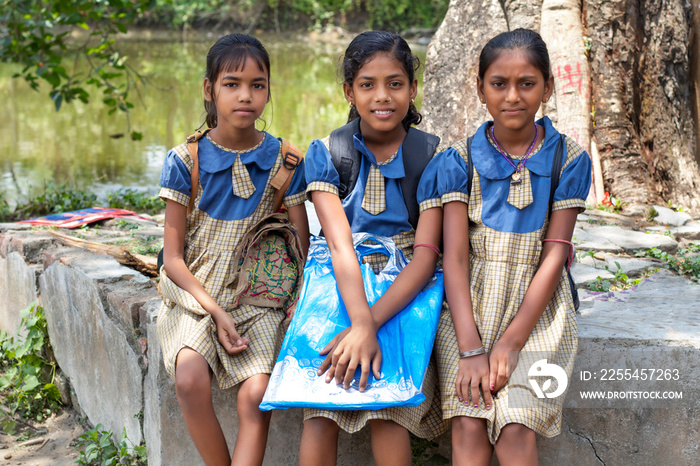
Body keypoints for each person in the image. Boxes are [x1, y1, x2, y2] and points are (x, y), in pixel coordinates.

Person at [422, 28, 592, 465]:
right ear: (480, 89)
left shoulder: (568, 160)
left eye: (527, 83)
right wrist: (472, 348)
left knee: (516, 429)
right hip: (467, 312)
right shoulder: (459, 161)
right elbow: (455, 258)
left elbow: (555, 254)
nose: (512, 96)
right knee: (468, 419)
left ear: (548, 88)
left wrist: (513, 342)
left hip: (539, 317)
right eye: (499, 83)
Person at [157, 33, 309, 466]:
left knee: (258, 393)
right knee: (189, 379)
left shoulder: (286, 160)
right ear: (210, 89)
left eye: (257, 85)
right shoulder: (186, 160)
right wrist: (216, 312)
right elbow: (172, 259)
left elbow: (301, 244)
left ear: (268, 90)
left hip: (260, 300)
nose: (246, 95)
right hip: (195, 293)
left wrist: (294, 306)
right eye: (232, 83)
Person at [299, 30, 447, 466]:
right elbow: (339, 245)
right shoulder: (328, 153)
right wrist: (359, 321)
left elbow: (426, 257)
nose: (382, 96)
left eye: (395, 83)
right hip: (340, 286)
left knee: (386, 407)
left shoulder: (435, 157)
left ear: (412, 88)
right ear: (349, 91)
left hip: (405, 292)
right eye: (367, 84)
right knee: (319, 405)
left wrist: (370, 325)